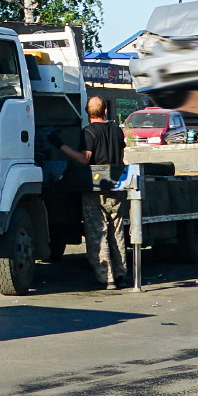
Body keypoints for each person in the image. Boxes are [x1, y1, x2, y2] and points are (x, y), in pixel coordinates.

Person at [55, 96, 129, 289]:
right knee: (117, 232)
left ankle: (107, 277)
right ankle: (121, 272)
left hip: (95, 190)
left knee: (99, 232)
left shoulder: (88, 132)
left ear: (88, 113)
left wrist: (60, 145)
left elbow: (84, 158)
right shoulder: (117, 131)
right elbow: (121, 159)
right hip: (117, 186)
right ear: (105, 111)